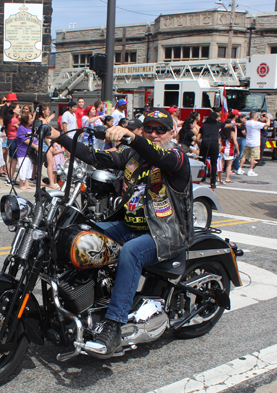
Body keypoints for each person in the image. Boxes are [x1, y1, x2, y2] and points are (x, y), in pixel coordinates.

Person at [49, 108, 193, 357]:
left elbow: (158, 155)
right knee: (82, 236)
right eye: (149, 128)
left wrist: (131, 137)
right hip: (130, 226)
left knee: (131, 253)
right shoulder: (133, 156)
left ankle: (114, 327)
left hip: (165, 233)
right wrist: (58, 136)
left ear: (171, 132)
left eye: (161, 129)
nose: (154, 133)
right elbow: (94, 156)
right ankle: (81, 302)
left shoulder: (176, 157)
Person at [238, 111, 270, 176]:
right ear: (255, 116)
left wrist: (257, 119)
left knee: (244, 155)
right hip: (255, 142)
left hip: (248, 141)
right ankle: (250, 170)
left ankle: (240, 169)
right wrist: (268, 118)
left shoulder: (247, 122)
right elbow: (267, 124)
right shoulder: (256, 123)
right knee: (253, 157)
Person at [197, 112, 223, 189]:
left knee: (202, 162)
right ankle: (213, 182)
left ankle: (200, 178)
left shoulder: (204, 126)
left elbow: (198, 138)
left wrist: (200, 145)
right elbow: (227, 125)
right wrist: (236, 124)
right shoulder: (217, 125)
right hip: (214, 144)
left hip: (205, 144)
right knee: (214, 164)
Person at [16, 113, 38, 190]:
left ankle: (27, 183)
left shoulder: (30, 128)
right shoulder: (21, 128)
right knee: (23, 167)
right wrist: (35, 146)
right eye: (30, 118)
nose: (32, 120)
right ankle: (21, 184)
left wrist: (37, 144)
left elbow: (34, 138)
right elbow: (25, 140)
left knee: (29, 167)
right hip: (23, 151)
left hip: (30, 152)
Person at [4, 102, 21, 184]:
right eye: (18, 108)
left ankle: (8, 176)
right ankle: (10, 177)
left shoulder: (10, 119)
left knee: (10, 160)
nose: (19, 109)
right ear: (13, 110)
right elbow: (21, 128)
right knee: (14, 161)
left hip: (10, 139)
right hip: (14, 140)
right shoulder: (15, 120)